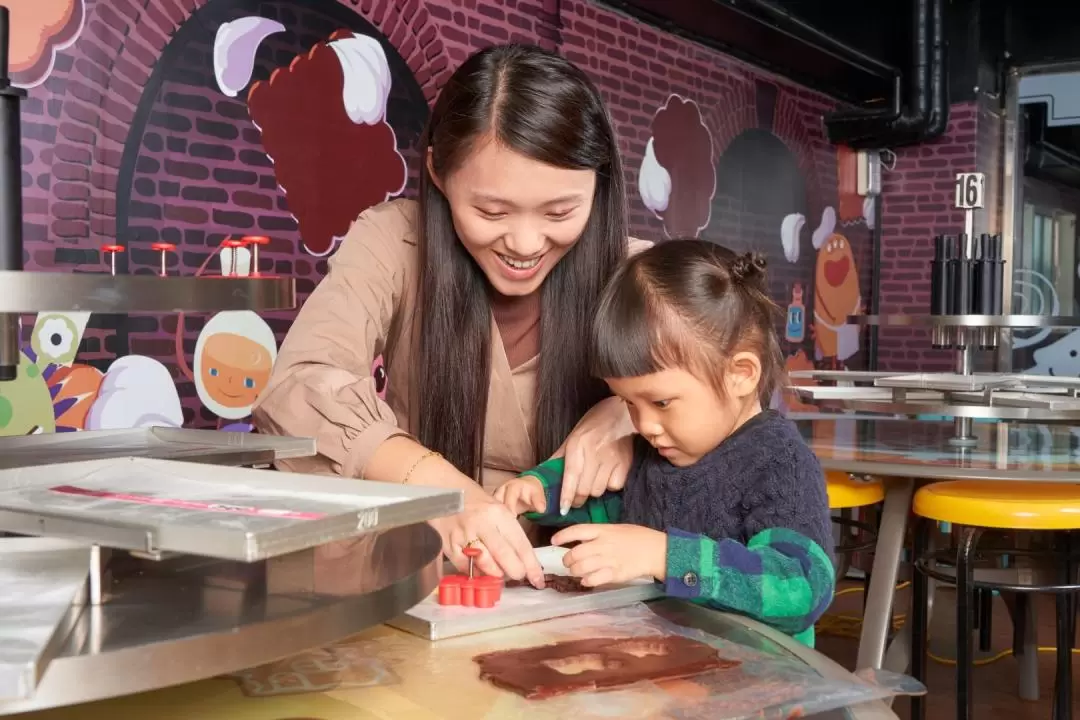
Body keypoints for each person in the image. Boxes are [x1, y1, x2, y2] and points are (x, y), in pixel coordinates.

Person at [253, 44, 648, 588]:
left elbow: (733, 391)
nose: (526, 243)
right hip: (426, 574)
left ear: (599, 187)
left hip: (595, 587)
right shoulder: (394, 240)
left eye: (560, 212)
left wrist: (631, 409)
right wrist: (437, 487)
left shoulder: (640, 275)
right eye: (491, 211)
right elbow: (298, 387)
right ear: (438, 170)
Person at [496, 241, 836, 645]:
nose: (644, 424)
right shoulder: (653, 454)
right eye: (629, 403)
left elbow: (799, 589)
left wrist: (662, 554)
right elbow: (593, 496)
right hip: (669, 671)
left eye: (661, 402)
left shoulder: (780, 464)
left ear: (740, 374)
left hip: (760, 690)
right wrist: (538, 492)